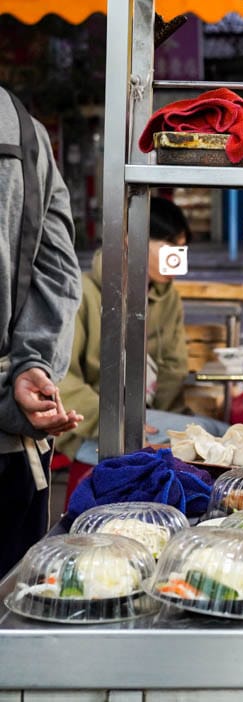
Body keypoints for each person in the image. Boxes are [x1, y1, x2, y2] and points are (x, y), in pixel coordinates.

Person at [58, 196, 227, 465]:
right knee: (217, 434)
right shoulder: (82, 293)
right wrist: (117, 426)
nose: (178, 257)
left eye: (182, 248)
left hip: (146, 421)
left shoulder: (167, 298)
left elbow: (173, 366)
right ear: (129, 239)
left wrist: (171, 427)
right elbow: (63, 379)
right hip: (88, 428)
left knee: (218, 437)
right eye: (169, 245)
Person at [0, 87, 83, 575]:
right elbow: (56, 273)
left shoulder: (25, 133)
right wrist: (31, 366)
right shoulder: (23, 129)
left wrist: (28, 370)